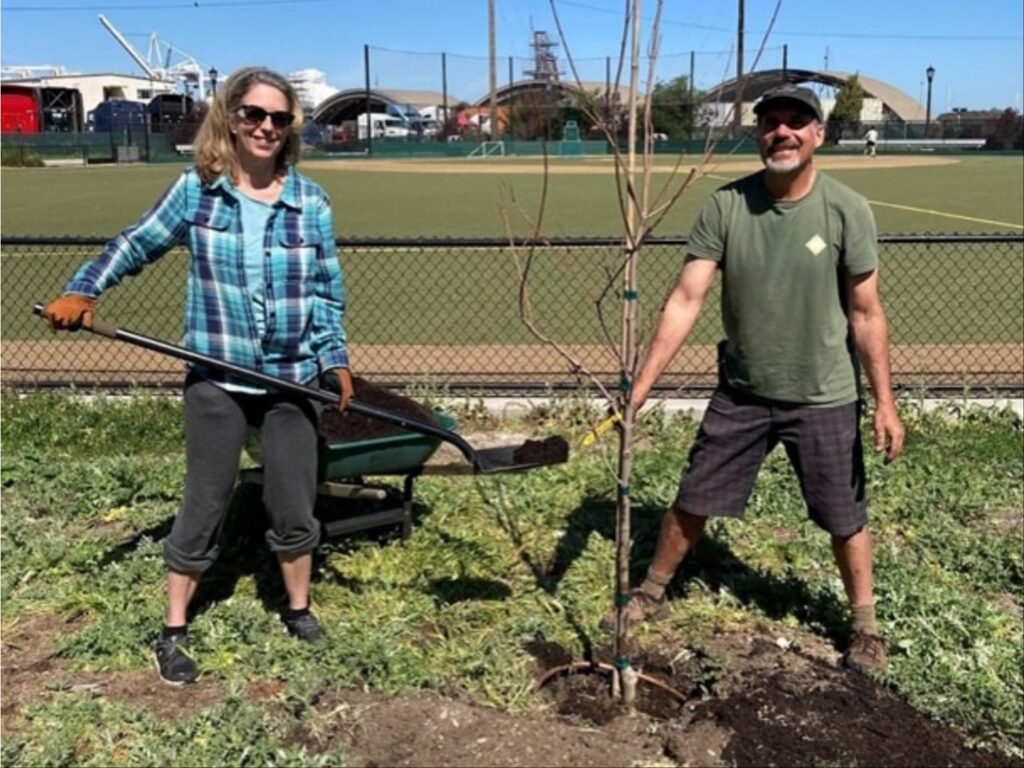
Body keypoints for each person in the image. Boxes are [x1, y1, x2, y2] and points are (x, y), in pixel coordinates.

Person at [43, 67, 355, 686]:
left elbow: (326, 294)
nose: (266, 127)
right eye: (253, 115)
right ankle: (174, 628)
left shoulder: (310, 202)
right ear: (231, 119)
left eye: (279, 118)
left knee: (293, 501)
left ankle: (298, 609)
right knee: (205, 502)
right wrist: (83, 289)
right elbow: (136, 244)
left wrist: (334, 358)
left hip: (291, 379)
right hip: (217, 374)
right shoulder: (198, 191)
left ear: (291, 128)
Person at [604, 84, 904, 674]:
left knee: (846, 518)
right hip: (742, 392)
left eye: (797, 122)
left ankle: (865, 629)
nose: (783, 132)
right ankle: (651, 591)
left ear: (818, 135)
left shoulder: (847, 210)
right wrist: (641, 386)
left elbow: (867, 313)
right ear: (758, 134)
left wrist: (884, 403)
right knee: (693, 500)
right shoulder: (726, 206)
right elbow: (686, 299)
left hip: (825, 395)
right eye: (771, 123)